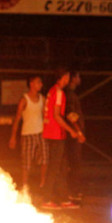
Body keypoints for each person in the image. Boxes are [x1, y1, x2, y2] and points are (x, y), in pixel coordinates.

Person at [42, 69, 85, 209]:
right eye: (67, 76)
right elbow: (56, 115)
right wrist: (72, 131)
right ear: (63, 77)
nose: (68, 79)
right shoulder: (60, 92)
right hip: (56, 134)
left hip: (51, 133)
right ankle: (47, 199)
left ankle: (63, 198)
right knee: (55, 167)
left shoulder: (52, 91)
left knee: (60, 166)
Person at [8, 75, 47, 197]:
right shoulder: (24, 100)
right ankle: (25, 187)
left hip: (41, 133)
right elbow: (18, 119)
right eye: (38, 82)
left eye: (41, 82)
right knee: (26, 162)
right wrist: (13, 137)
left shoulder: (42, 98)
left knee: (45, 159)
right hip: (27, 134)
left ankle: (43, 184)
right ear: (31, 84)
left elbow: (45, 116)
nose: (40, 84)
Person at [63, 71, 87, 207]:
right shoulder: (69, 95)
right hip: (73, 135)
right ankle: (73, 192)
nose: (80, 79)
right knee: (74, 164)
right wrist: (78, 131)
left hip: (72, 134)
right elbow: (71, 115)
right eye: (78, 76)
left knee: (73, 164)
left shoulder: (70, 94)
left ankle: (72, 191)